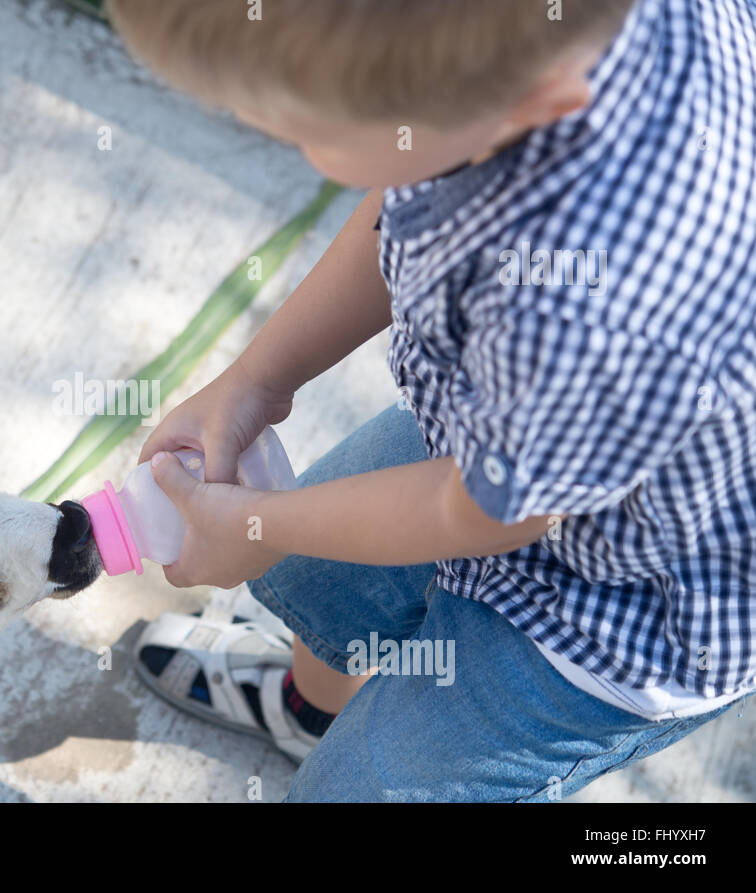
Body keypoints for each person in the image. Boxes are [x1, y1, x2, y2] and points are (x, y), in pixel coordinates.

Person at [106, 0, 756, 801]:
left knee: (377, 785)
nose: (277, 136)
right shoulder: (497, 77)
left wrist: (249, 523)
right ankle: (310, 711)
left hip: (618, 613)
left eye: (305, 127)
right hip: (505, 439)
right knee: (318, 585)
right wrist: (257, 379)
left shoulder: (604, 303)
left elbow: (487, 510)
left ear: (536, 100)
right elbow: (402, 204)